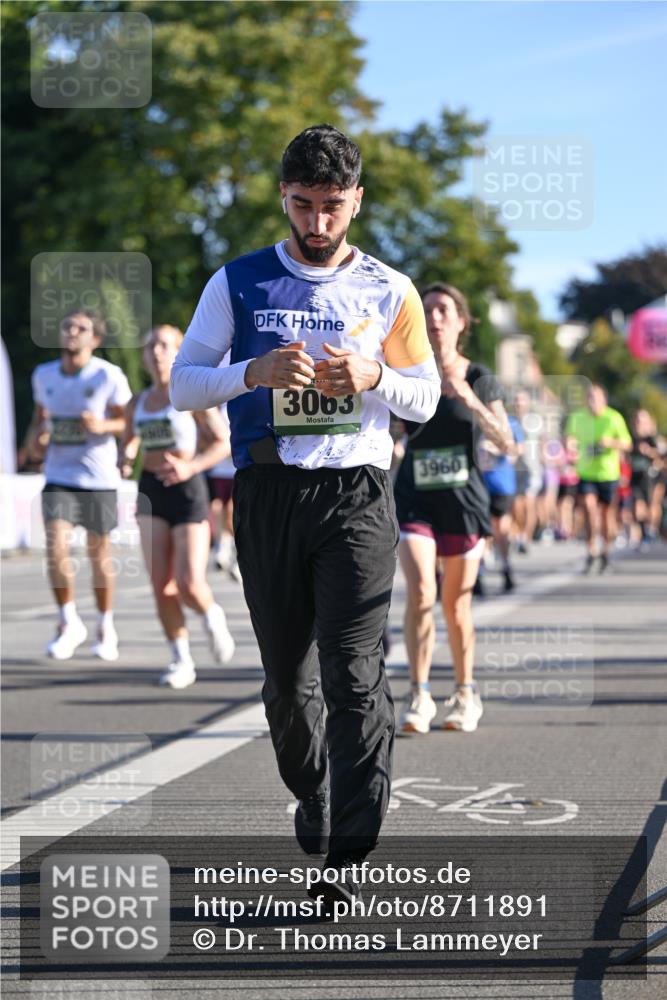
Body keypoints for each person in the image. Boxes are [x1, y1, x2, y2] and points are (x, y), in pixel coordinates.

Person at [169, 124, 440, 899]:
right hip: (266, 494)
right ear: (281, 198)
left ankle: (347, 856)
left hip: (354, 494)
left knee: (354, 676)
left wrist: (373, 374)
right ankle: (314, 790)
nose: (316, 224)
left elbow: (422, 394)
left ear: (355, 202)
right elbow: (185, 382)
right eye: (301, 205)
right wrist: (252, 370)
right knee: (288, 684)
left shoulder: (390, 288)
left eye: (330, 207)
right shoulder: (239, 281)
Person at [392, 283, 514, 735]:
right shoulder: (406, 373)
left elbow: (508, 443)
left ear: (462, 321)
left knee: (455, 605)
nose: (435, 317)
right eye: (427, 310)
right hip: (415, 499)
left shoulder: (480, 376)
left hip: (463, 502)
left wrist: (467, 397)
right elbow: (386, 432)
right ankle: (419, 692)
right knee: (421, 591)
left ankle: (465, 692)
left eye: (444, 309)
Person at [119, 325, 234, 689]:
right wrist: (126, 457)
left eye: (165, 345)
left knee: (188, 583)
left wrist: (192, 466)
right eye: (151, 345)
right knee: (161, 585)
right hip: (151, 491)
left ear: (178, 351)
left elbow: (223, 443)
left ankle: (211, 614)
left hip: (187, 488)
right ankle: (181, 658)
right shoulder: (137, 402)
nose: (156, 351)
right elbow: (129, 440)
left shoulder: (191, 395)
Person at [28, 309, 132, 660]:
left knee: (98, 554)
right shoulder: (43, 375)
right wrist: (35, 441)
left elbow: (127, 423)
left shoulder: (108, 376)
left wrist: (103, 428)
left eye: (81, 328)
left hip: (98, 478)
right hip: (59, 476)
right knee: (55, 547)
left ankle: (105, 625)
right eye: (68, 326)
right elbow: (38, 420)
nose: (72, 332)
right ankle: (68, 620)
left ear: (95, 340)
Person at [566, 383, 632, 573]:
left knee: (606, 517)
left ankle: (605, 553)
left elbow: (627, 444)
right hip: (586, 473)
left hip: (608, 474)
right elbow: (570, 438)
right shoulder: (578, 417)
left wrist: (611, 442)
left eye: (595, 398)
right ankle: (591, 552)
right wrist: (571, 446)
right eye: (589, 397)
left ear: (604, 400)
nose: (592, 401)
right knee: (589, 509)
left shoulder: (614, 418)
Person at [480, 413, 524, 592]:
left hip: (502, 483)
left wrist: (497, 448)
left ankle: (506, 567)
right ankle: (478, 574)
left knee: (500, 529)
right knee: (481, 529)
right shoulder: (475, 417)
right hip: (479, 482)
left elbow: (519, 449)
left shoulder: (510, 422)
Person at [206, 403, 241, 582]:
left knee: (230, 511)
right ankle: (223, 545)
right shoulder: (214, 407)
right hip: (219, 469)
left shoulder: (238, 402)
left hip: (235, 468)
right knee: (216, 508)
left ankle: (236, 553)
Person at [512, 390, 543, 553]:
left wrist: (544, 458)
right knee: (517, 504)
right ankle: (519, 534)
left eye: (522, 401)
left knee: (529, 503)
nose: (519, 404)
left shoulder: (535, 421)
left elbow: (543, 441)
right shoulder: (509, 421)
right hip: (515, 468)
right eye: (516, 401)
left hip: (532, 468)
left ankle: (526, 538)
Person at [629, 409, 660, 549]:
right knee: (637, 507)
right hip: (635, 475)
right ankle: (642, 533)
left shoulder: (650, 438)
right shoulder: (631, 437)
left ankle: (651, 529)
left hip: (648, 476)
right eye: (637, 420)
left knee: (650, 506)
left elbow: (659, 455)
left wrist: (648, 451)